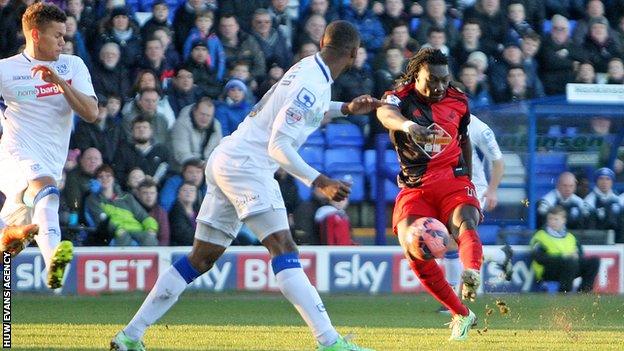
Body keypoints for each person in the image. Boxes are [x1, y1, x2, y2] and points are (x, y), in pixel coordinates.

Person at [111, 20, 378, 351]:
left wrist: (346, 109)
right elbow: (278, 147)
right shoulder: (311, 83)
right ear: (353, 54)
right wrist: (319, 180)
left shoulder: (307, 69)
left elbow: (304, 110)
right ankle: (330, 342)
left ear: (323, 43)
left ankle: (129, 336)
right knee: (284, 248)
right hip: (248, 166)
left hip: (227, 158)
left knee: (201, 258)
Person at [376, 48, 481, 341]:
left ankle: (471, 272)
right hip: (415, 187)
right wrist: (409, 126)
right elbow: (385, 113)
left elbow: (465, 138)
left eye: (444, 80)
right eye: (431, 80)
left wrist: (468, 178)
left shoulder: (459, 99)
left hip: (451, 179)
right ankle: (461, 313)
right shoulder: (399, 96)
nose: (438, 87)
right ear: (416, 76)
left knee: (465, 222)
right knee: (412, 247)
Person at [0, 3, 97, 289]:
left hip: (52, 160)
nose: (63, 42)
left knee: (18, 229)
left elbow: (91, 113)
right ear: (35, 35)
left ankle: (9, 235)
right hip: (15, 153)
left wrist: (60, 84)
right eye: (57, 36)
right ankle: (53, 259)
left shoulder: (72, 65)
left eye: (64, 36)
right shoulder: (6, 70)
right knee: (47, 189)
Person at [530, 206, 600, 293]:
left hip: (570, 267)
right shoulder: (540, 236)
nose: (553, 222)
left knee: (594, 261)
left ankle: (584, 292)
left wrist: (577, 255)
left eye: (556, 219)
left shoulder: (570, 237)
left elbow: (580, 253)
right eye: (550, 219)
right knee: (569, 261)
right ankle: (564, 292)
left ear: (564, 220)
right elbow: (538, 257)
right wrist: (563, 257)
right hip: (548, 270)